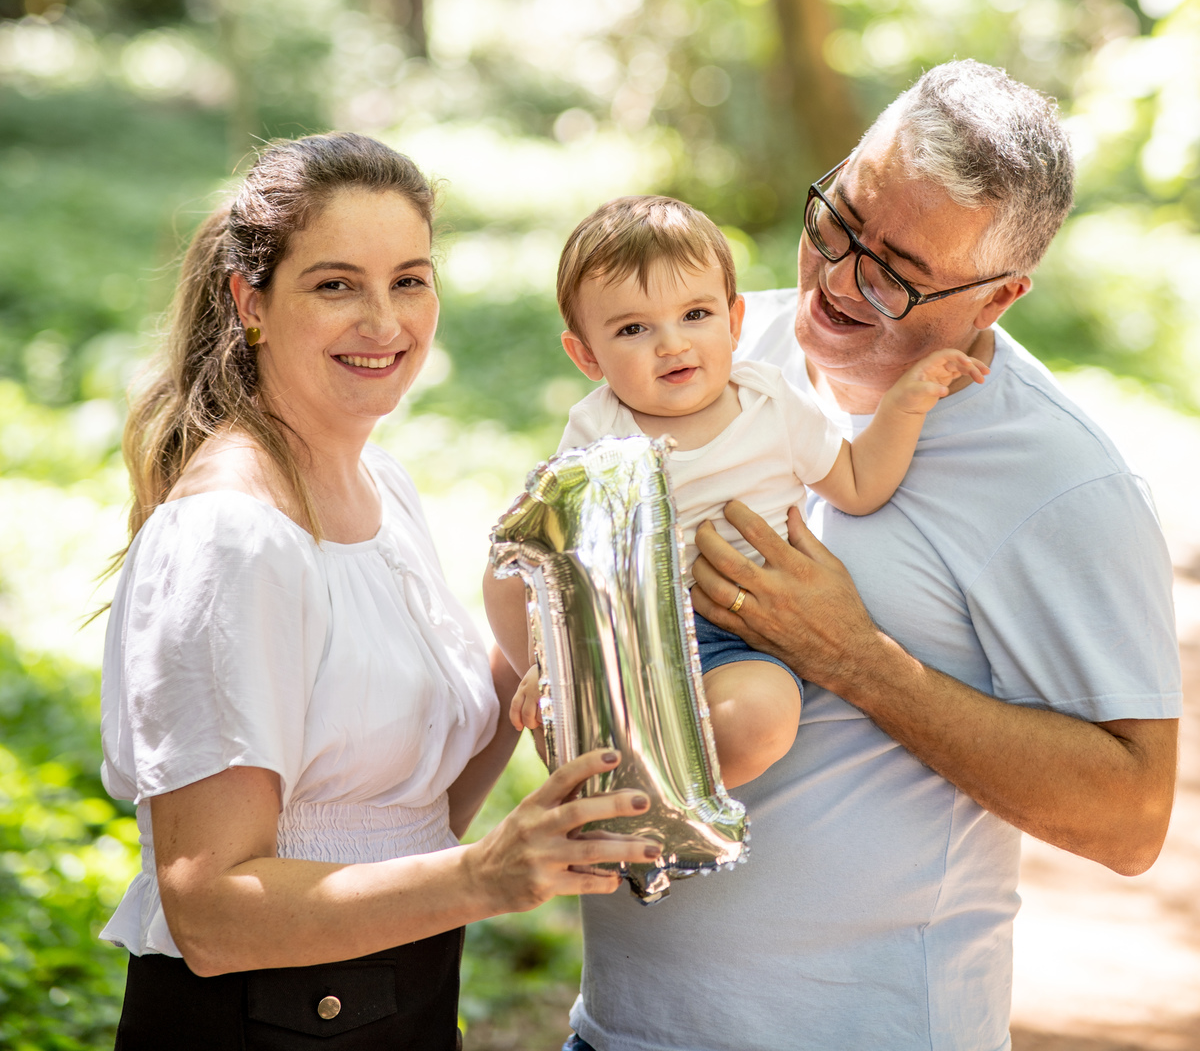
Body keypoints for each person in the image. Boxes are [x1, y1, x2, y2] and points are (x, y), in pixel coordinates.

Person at [563, 61, 1182, 1051]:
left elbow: (1131, 816)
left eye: (895, 269)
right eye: (840, 222)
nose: (840, 279)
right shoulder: (713, 347)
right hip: (615, 1030)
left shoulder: (1063, 483)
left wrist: (856, 659)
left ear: (1000, 297)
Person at [98, 132, 659, 1051]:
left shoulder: (381, 485)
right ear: (251, 302)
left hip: (401, 994)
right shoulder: (230, 537)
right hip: (260, 1025)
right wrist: (484, 877)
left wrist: (555, 640)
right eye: (335, 285)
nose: (387, 322)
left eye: (409, 279)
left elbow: (399, 808)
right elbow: (210, 910)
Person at [485, 195, 985, 787]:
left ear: (735, 321)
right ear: (587, 355)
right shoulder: (596, 429)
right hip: (626, 632)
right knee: (504, 575)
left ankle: (657, 792)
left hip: (743, 639)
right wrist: (554, 652)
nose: (671, 344)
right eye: (634, 329)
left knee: (762, 721)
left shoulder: (769, 401)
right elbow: (569, 555)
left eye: (694, 315)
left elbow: (857, 485)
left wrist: (903, 407)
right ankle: (583, 725)